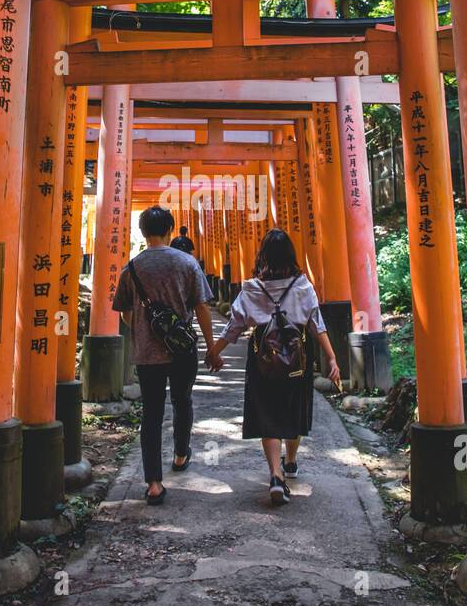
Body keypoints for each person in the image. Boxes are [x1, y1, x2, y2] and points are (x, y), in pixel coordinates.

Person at [205, 228, 342, 506]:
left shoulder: (252, 288)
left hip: (263, 358)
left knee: (268, 412)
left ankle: (276, 475)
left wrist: (213, 353)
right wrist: (332, 358)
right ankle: (290, 461)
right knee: (293, 407)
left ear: (263, 255)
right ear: (291, 254)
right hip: (297, 359)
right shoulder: (302, 286)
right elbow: (317, 324)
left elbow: (234, 327)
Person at [112, 205, 216, 505]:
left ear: (142, 232)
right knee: (182, 401)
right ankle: (181, 455)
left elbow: (126, 316)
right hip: (182, 350)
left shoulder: (131, 268)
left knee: (152, 413)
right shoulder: (186, 263)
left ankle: (154, 483)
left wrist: (147, 329)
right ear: (170, 229)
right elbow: (202, 308)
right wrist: (211, 347)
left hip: (147, 353)